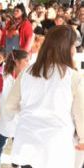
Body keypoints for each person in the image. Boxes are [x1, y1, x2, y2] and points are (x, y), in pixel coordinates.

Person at [5, 25, 84, 168]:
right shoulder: (73, 77)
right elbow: (80, 114)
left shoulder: (27, 72)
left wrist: (27, 117)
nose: (74, 49)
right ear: (66, 47)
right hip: (56, 147)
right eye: (73, 45)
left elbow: (9, 106)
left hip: (26, 142)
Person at [0, 50, 29, 168]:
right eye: (26, 60)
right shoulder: (2, 78)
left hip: (21, 119)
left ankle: (16, 164)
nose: (28, 63)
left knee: (21, 145)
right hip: (4, 118)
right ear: (16, 62)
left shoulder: (27, 78)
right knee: (0, 144)